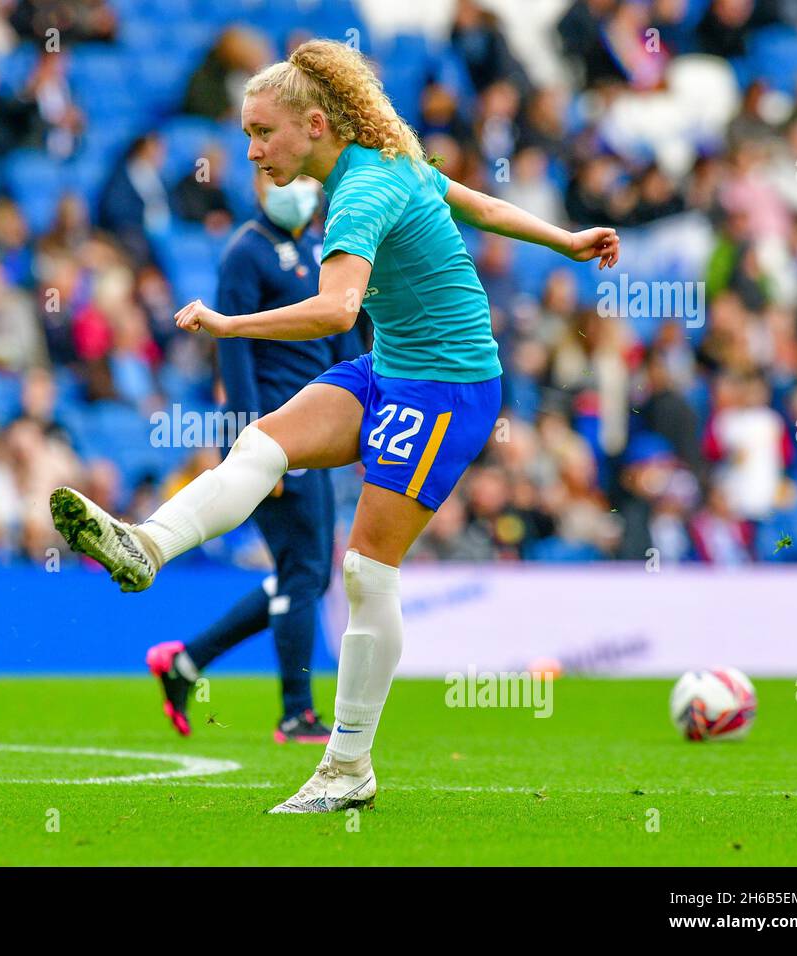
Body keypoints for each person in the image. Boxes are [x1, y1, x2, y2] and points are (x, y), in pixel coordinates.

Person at [49, 40, 619, 813]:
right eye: (246, 135)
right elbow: (477, 204)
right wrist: (568, 239)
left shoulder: (359, 192)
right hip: (389, 368)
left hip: (447, 386)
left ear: (315, 124)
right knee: (263, 443)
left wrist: (229, 323)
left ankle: (348, 766)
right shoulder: (387, 164)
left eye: (262, 133)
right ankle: (146, 547)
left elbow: (336, 310)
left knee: (365, 572)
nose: (251, 152)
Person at [146, 167, 360, 744]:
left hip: (318, 427)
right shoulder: (245, 252)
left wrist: (366, 418)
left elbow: (342, 341)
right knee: (307, 572)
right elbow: (232, 352)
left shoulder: (319, 246)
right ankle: (296, 713)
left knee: (305, 575)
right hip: (273, 435)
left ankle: (186, 663)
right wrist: (250, 446)